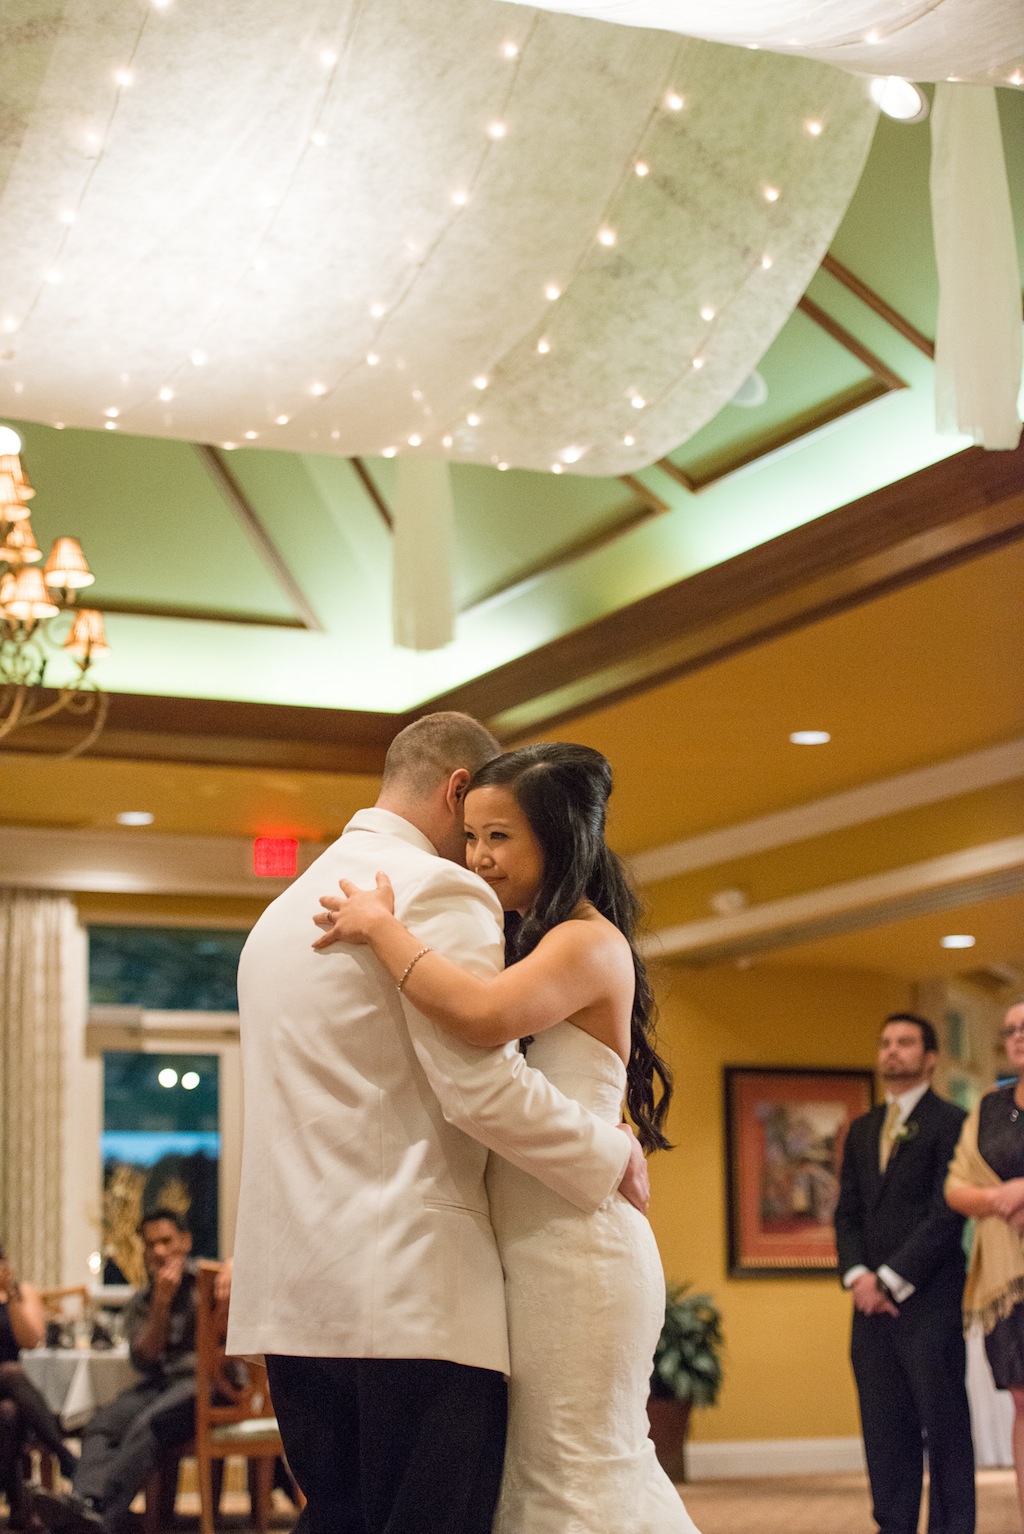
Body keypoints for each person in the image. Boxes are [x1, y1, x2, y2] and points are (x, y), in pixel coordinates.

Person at [227, 712, 651, 1534]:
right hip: (409, 1293)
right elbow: (480, 1090)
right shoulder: (438, 888)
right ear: (460, 790)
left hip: (295, 1299)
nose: (481, 856)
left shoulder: (278, 912)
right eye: (481, 829)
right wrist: (610, 1152)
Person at [313, 740, 698, 1533]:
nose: (479, 858)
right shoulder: (535, 938)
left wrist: (382, 927)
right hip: (533, 1243)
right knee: (539, 1476)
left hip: (577, 1251)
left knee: (577, 1475)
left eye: (501, 837)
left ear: (560, 839)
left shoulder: (587, 941)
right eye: (472, 836)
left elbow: (479, 1020)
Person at [833, 1013, 974, 1534]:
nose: (893, 1051)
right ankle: (892, 1524)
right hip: (869, 1310)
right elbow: (845, 1212)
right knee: (884, 1430)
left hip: (930, 1303)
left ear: (930, 1057)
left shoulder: (954, 1122)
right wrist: (858, 1278)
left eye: (906, 1043)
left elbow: (946, 1213)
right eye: (886, 1041)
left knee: (945, 1429)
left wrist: (890, 1279)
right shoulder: (864, 1128)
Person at [34, 1210, 228, 1534]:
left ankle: (102, 1515)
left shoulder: (210, 1281)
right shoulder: (142, 1301)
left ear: (186, 1242)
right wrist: (161, 1305)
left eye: (166, 1241)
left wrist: (234, 1266)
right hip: (163, 1384)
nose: (159, 1252)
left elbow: (249, 1281)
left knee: (147, 1424)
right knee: (100, 1424)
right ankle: (86, 1503)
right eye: (150, 1244)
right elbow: (143, 1360)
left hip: (209, 1384)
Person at [945, 998, 1024, 1531]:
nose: (1017, 1036)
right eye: (1011, 1030)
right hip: (1007, 1278)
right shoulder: (991, 1108)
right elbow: (957, 1184)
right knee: (1023, 1398)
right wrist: (1004, 1200)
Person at [0, 1244, 78, 1528]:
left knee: (9, 1412)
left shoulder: (23, 1293)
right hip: (11, 1377)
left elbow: (31, 1340)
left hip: (16, 1396)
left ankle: (19, 1507)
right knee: (10, 1372)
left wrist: (10, 1298)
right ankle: (64, 1455)